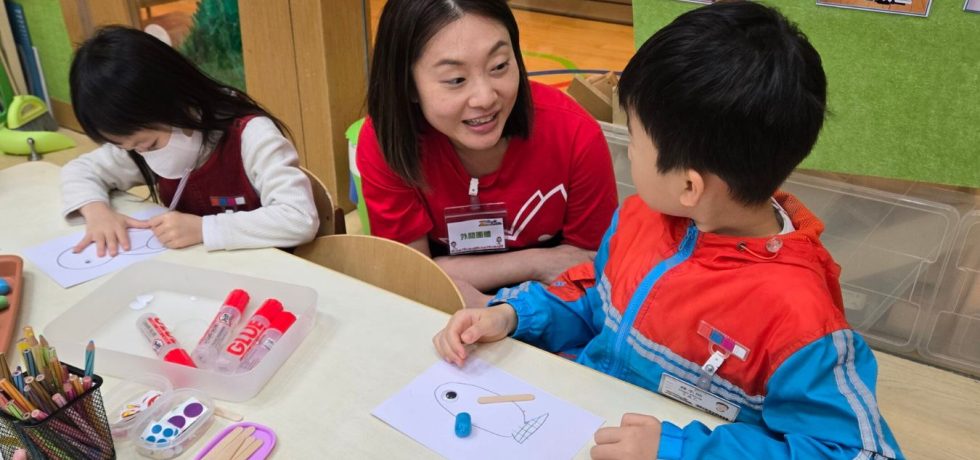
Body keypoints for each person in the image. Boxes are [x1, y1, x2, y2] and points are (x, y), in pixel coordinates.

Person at [433, 2, 904, 459]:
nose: (630, 153)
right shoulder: (641, 217)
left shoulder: (802, 321)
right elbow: (600, 299)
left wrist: (679, 450)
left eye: (634, 139)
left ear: (688, 185)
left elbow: (859, 452)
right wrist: (516, 316)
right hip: (586, 420)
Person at [357, 0, 618, 302]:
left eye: (499, 66)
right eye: (456, 80)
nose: (485, 97)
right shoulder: (388, 141)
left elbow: (586, 267)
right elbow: (412, 275)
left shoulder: (575, 135)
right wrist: (536, 263)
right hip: (443, 311)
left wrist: (504, 314)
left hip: (554, 311)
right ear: (408, 85)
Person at [61, 26, 318, 256]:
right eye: (126, 147)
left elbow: (299, 219)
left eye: (149, 145)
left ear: (180, 103)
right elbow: (80, 170)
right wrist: (98, 213)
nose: (142, 153)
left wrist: (203, 229)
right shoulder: (138, 141)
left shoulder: (251, 136)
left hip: (270, 272)